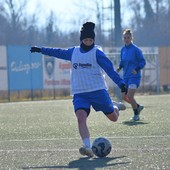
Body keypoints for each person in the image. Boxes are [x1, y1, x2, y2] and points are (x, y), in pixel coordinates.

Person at [30, 22, 127, 157]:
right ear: (81, 40)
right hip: (80, 93)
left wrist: (121, 83)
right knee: (80, 118)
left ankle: (114, 106)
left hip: (97, 90)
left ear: (93, 40)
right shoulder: (73, 52)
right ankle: (87, 147)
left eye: (90, 40)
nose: (88, 42)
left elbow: (110, 70)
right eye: (85, 40)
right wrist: (41, 49)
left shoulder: (97, 53)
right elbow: (57, 52)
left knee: (114, 118)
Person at [117, 29, 146, 121]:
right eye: (125, 38)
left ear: (131, 38)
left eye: (128, 37)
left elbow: (142, 61)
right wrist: (119, 67)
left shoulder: (136, 49)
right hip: (126, 77)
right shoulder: (123, 49)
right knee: (123, 96)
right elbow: (122, 61)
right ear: (123, 38)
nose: (126, 39)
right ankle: (137, 106)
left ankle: (136, 115)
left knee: (129, 96)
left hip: (134, 77)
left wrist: (136, 69)